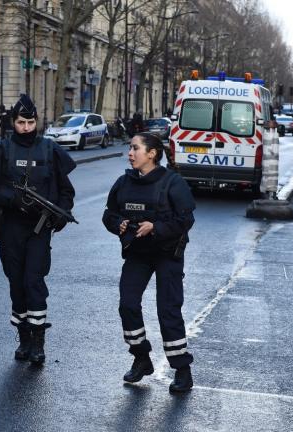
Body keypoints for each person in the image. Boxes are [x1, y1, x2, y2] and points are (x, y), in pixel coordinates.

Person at [0, 94, 76, 364]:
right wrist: (13, 199)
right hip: (10, 226)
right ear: (13, 122)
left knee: (34, 281)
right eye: (21, 122)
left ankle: (38, 343)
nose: (27, 128)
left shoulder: (50, 150)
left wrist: (61, 215)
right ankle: (23, 339)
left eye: (31, 122)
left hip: (39, 228)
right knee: (17, 284)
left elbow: (66, 192)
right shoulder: (1, 150)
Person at [102, 132, 196, 392]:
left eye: (135, 148)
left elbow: (185, 220)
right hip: (137, 254)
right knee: (128, 305)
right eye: (130, 149)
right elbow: (109, 214)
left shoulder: (173, 183)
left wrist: (155, 227)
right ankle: (141, 358)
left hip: (167, 254)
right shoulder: (124, 182)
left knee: (168, 310)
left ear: (151, 154)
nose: (130, 153)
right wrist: (117, 223)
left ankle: (182, 370)